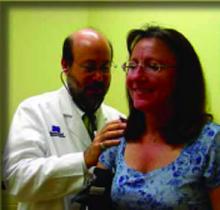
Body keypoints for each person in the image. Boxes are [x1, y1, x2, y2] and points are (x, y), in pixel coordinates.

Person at [97, 25, 220, 210]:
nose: (137, 76)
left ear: (182, 76)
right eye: (132, 65)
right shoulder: (120, 135)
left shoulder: (211, 142)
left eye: (153, 66)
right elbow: (95, 198)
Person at [3, 28, 126, 210]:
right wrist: (84, 160)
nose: (99, 77)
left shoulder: (118, 120)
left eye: (105, 68)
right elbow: (15, 179)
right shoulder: (34, 110)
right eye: (90, 67)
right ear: (65, 65)